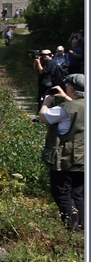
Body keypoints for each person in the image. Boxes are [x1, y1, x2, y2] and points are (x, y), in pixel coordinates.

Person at [39, 73, 84, 232]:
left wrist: (46, 102)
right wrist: (65, 96)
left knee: (62, 193)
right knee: (78, 194)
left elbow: (44, 117)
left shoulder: (65, 109)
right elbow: (77, 108)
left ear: (71, 88)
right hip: (84, 160)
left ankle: (72, 229)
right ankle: (82, 228)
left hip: (66, 159)